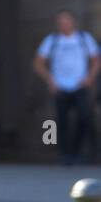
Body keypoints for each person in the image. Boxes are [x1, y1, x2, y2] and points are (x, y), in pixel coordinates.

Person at [33, 10, 100, 165]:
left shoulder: (84, 39)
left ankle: (79, 152)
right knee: (59, 122)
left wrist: (89, 78)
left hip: (79, 85)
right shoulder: (52, 40)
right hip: (60, 86)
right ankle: (64, 154)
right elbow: (38, 62)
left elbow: (96, 59)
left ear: (73, 22)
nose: (63, 25)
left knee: (84, 118)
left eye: (65, 21)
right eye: (60, 22)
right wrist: (50, 80)